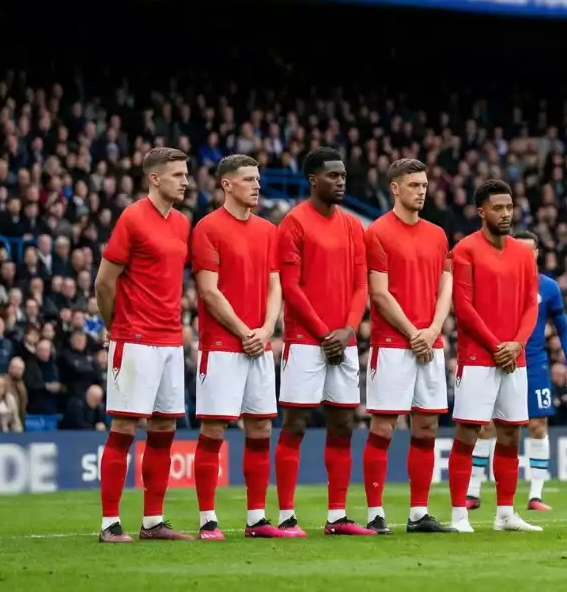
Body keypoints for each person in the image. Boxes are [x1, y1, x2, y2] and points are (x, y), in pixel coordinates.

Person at [275, 147, 377, 536]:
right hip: (305, 340)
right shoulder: (293, 223)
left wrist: (349, 329)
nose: (341, 181)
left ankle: (337, 516)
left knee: (343, 423)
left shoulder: (353, 226)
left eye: (344, 175)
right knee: (296, 423)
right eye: (333, 176)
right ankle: (286, 515)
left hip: (344, 341)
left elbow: (360, 284)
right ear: (313, 179)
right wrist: (323, 332)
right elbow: (291, 286)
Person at [95, 147, 194, 543]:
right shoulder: (132, 217)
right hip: (134, 337)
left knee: (164, 429)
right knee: (123, 428)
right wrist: (114, 325)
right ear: (155, 178)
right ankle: (109, 524)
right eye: (177, 175)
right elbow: (104, 281)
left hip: (171, 339)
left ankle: (153, 521)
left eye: (185, 174)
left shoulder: (183, 222)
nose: (185, 181)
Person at [190, 155, 288, 540]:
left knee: (261, 427)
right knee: (214, 428)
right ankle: (207, 519)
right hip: (221, 346)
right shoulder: (207, 228)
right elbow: (209, 291)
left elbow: (274, 285)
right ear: (227, 185)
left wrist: (265, 330)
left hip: (258, 345)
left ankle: (256, 519)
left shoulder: (268, 231)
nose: (257, 185)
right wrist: (245, 330)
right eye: (248, 179)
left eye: (258, 179)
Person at [362, 158, 455, 534]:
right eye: (414, 184)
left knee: (427, 426)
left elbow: (445, 287)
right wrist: (414, 332)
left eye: (424, 184)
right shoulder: (378, 232)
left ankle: (419, 512)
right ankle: (374, 512)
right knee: (384, 426)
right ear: (395, 189)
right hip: (391, 343)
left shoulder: (438, 234)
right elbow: (379, 293)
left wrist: (431, 330)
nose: (422, 190)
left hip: (430, 342)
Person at [445, 180, 542, 533]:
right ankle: (459, 515)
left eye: (509, 207)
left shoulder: (521, 253)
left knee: (511, 435)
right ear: (481, 211)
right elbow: (464, 307)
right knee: (469, 433)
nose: (505, 214)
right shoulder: (465, 249)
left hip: (514, 358)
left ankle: (505, 514)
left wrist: (516, 344)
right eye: (498, 208)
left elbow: (532, 304)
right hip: (478, 358)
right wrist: (496, 345)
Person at [466, 230, 567, 512]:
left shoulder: (549, 288)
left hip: (535, 365)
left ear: (538, 253)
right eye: (521, 249)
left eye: (532, 250)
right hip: (499, 359)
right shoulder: (499, 279)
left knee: (538, 425)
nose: (527, 255)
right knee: (487, 425)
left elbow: (563, 328)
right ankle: (473, 492)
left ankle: (536, 496)